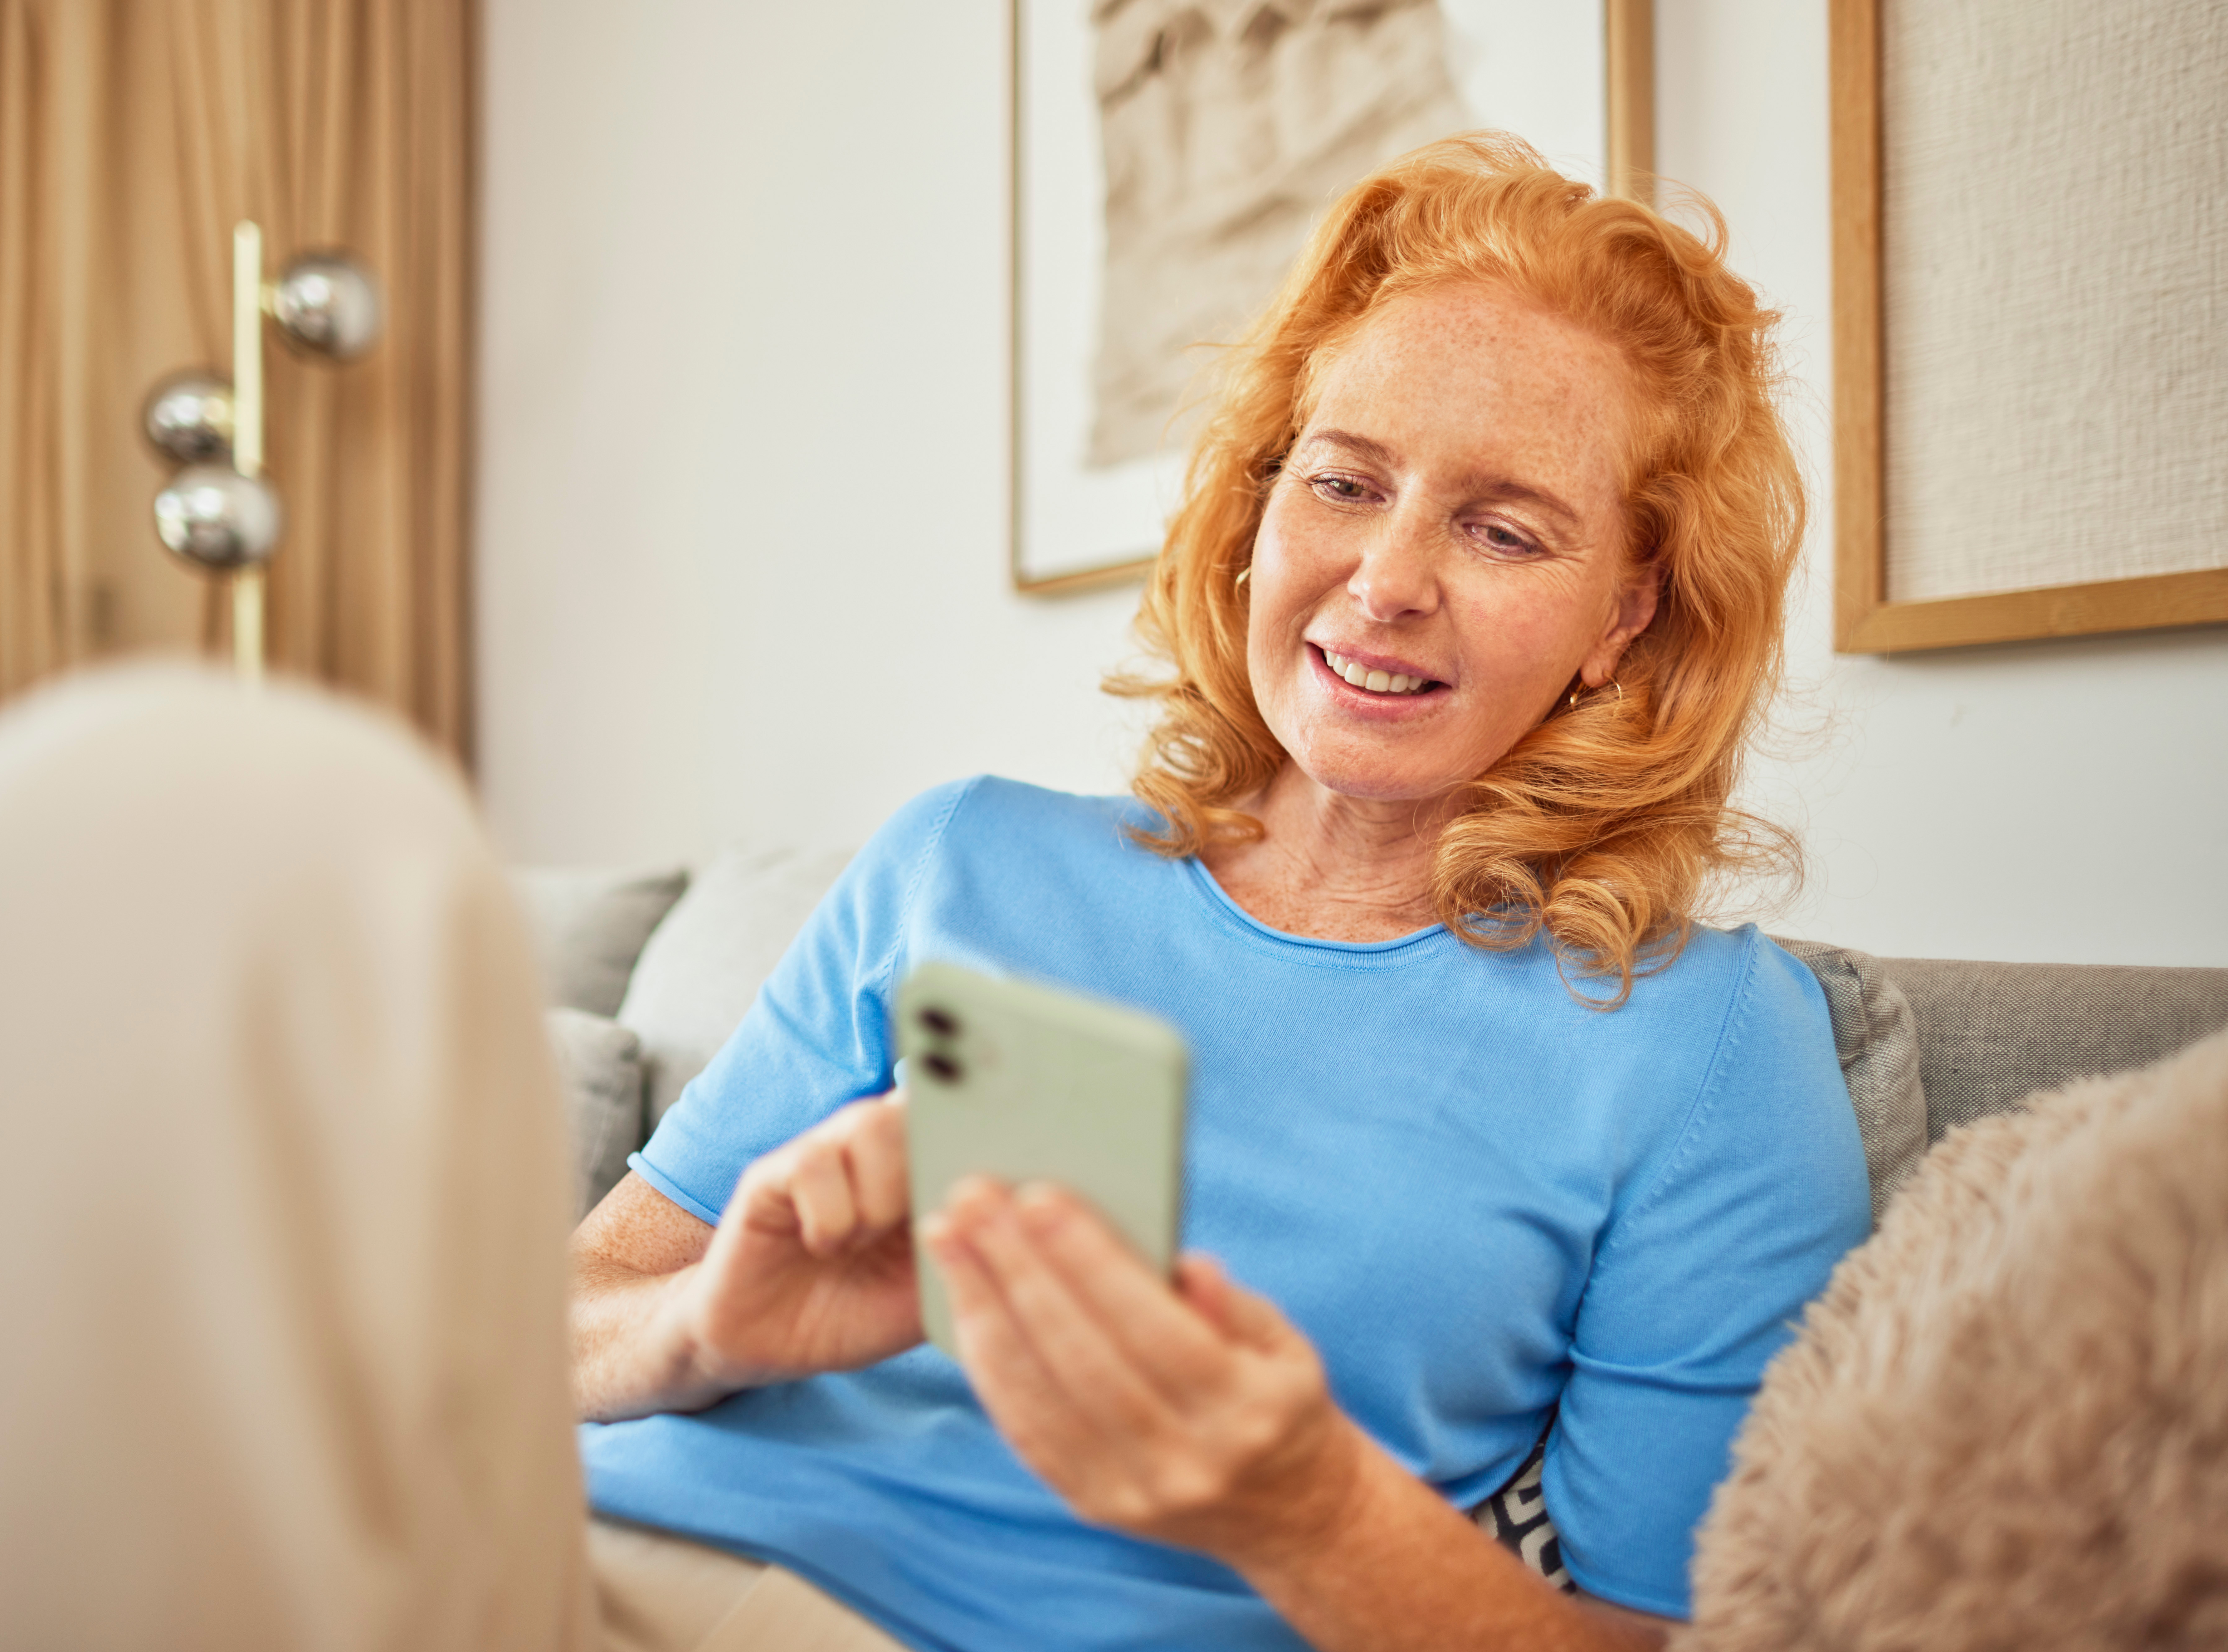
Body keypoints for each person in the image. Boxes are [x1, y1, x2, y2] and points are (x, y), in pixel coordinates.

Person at [568, 134, 1870, 1650]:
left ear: (1622, 615)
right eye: (1344, 482)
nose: (1385, 580)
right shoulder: (958, 858)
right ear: (1260, 509)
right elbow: (560, 1322)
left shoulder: (1711, 1048)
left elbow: (1672, 1637)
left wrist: (1311, 1514)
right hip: (567, 1543)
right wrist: (705, 1324)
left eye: (1502, 528)